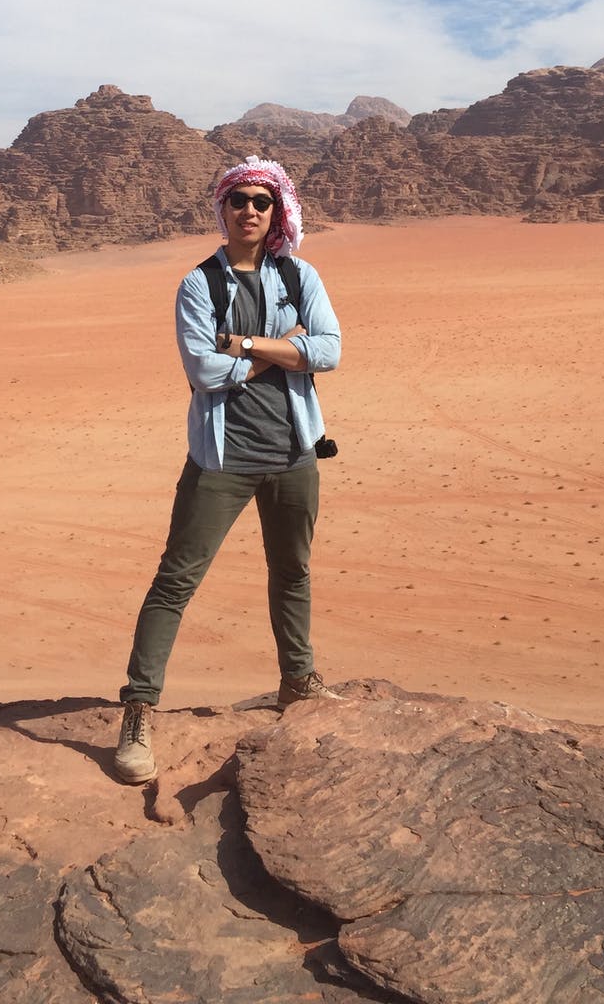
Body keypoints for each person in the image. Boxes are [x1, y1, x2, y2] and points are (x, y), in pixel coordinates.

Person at [114, 156, 343, 784]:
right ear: (222, 208)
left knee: (292, 571)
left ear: (277, 211)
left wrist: (241, 344)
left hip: (294, 454)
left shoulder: (299, 275)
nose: (249, 210)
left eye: (262, 201)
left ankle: (298, 680)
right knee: (175, 581)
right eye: (238, 200)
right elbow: (204, 371)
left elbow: (329, 350)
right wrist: (284, 349)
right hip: (223, 459)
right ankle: (137, 709)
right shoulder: (200, 285)